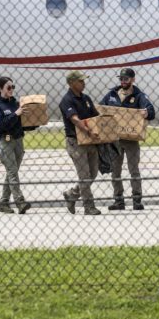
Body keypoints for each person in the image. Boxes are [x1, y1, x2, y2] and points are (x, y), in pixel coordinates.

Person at [99, 68, 155, 211]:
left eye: (126, 79)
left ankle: (137, 200)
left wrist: (146, 112)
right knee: (115, 171)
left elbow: (151, 110)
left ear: (133, 79)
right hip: (115, 139)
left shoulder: (139, 96)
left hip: (131, 139)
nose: (123, 81)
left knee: (134, 170)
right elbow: (100, 108)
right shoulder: (112, 95)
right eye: (121, 79)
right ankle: (119, 201)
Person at [59, 70, 102, 216]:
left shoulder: (86, 98)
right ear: (71, 83)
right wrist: (88, 131)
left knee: (93, 173)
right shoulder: (67, 100)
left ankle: (71, 194)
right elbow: (75, 119)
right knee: (84, 175)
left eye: (84, 80)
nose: (84, 83)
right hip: (76, 142)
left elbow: (96, 117)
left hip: (90, 141)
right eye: (80, 81)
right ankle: (89, 206)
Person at [0, 77, 32, 214]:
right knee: (12, 172)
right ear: (0, 89)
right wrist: (16, 114)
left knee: (11, 173)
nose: (11, 90)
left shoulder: (16, 103)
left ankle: (3, 202)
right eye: (8, 87)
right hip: (5, 142)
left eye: (13, 87)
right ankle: (20, 202)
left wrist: (36, 122)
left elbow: (22, 124)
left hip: (19, 140)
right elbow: (1, 125)